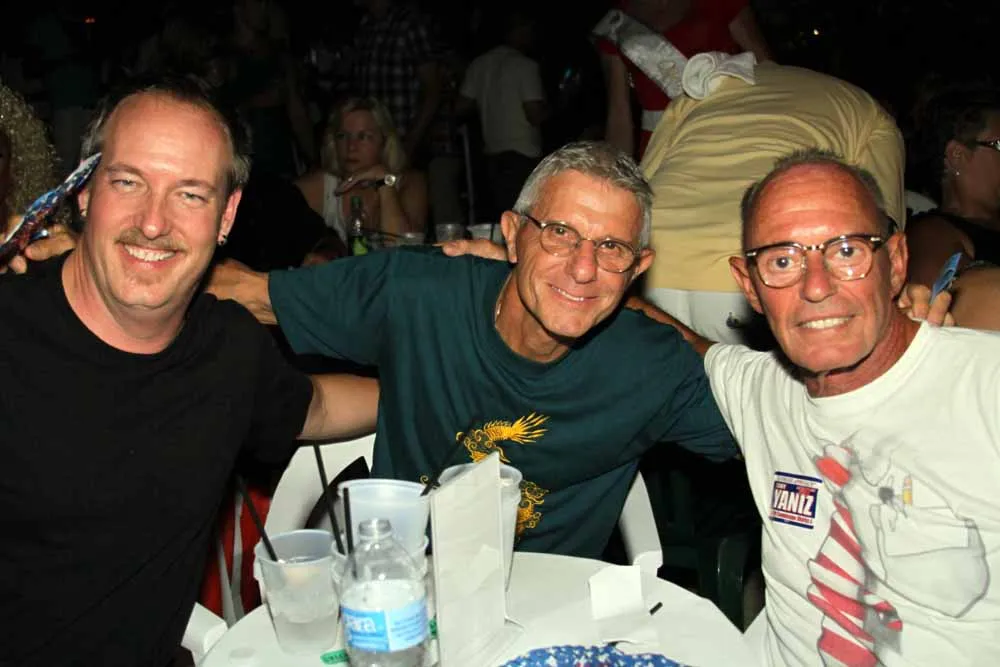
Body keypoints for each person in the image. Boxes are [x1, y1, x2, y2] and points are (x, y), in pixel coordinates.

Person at [0, 75, 376, 667]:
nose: (153, 222)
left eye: (190, 195)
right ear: (84, 192)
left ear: (227, 216)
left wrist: (433, 382)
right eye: (128, 182)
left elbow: (319, 406)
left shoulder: (227, 348)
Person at [209, 140, 736, 558]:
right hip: (411, 596)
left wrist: (620, 302)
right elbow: (246, 291)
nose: (582, 268)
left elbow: (770, 409)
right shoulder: (420, 292)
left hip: (554, 624)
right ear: (513, 233)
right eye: (559, 233)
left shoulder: (649, 365)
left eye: (611, 248)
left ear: (638, 267)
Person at [704, 149, 1000, 665]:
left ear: (896, 263)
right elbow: (659, 330)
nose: (817, 287)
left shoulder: (985, 386)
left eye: (846, 251)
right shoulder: (759, 387)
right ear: (750, 286)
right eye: (782, 260)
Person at [639, 62, 905, 345]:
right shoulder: (871, 113)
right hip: (753, 276)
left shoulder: (701, 91)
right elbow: (880, 223)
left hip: (649, 268)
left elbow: (637, 188)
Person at [593, 0, 772, 158]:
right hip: (666, 147)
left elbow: (767, 66)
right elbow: (619, 116)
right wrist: (611, 176)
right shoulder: (616, 23)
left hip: (735, 125)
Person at [457, 5, 548, 220]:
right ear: (520, 30)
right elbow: (534, 115)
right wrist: (558, 105)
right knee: (525, 219)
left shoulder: (480, 64)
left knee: (501, 218)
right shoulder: (525, 66)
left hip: (493, 156)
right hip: (523, 156)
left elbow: (460, 106)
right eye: (529, 29)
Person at [295, 96, 428, 243]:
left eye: (363, 136)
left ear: (384, 142)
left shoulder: (410, 183)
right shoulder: (321, 186)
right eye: (342, 136)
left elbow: (404, 248)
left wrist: (384, 182)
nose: (351, 147)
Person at [351, 0, 445, 163]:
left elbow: (433, 90)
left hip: (405, 142)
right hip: (372, 143)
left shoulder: (410, 25)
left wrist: (411, 142)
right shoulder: (366, 27)